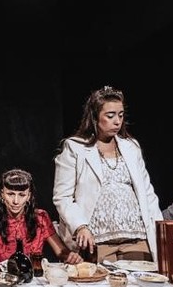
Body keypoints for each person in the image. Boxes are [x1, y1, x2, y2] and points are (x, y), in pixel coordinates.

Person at [52, 85, 163, 263]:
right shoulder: (75, 148)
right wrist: (80, 226)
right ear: (95, 117)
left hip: (136, 237)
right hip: (98, 240)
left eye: (120, 115)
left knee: (140, 280)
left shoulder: (131, 147)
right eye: (110, 116)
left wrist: (160, 232)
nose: (117, 121)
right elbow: (62, 197)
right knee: (102, 280)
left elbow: (148, 194)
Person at [0, 168, 81, 265]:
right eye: (10, 194)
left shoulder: (40, 217)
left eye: (21, 195)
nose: (16, 201)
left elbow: (61, 252)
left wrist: (71, 257)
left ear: (28, 196)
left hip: (34, 277)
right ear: (2, 194)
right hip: (3, 277)